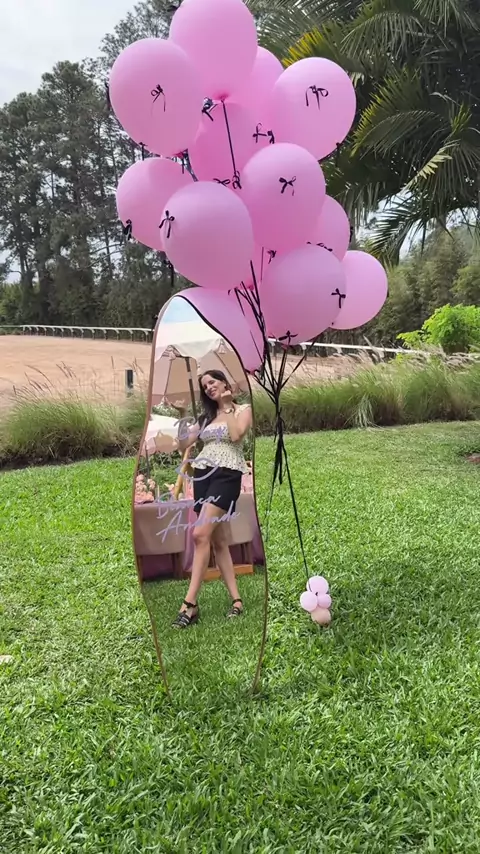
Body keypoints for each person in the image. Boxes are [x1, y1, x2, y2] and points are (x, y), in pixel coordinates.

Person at [172, 369, 252, 628]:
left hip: (226, 474)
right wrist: (182, 414)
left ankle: (190, 603)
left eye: (212, 381)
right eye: (204, 385)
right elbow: (183, 443)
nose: (208, 387)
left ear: (224, 383)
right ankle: (237, 600)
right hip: (203, 475)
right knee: (218, 541)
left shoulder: (242, 410)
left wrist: (227, 407)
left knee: (199, 534)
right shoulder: (206, 418)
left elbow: (237, 435)